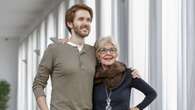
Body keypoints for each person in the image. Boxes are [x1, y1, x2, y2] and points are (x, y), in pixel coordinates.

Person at [33, 3, 140, 110]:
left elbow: (110, 66)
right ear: (70, 23)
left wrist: (130, 71)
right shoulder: (54, 50)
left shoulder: (93, 51)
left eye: (88, 20)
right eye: (81, 19)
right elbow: (38, 84)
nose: (86, 23)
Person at [93, 37, 157, 110]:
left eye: (112, 50)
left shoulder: (128, 74)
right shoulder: (91, 75)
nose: (108, 53)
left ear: (116, 54)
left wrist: (137, 108)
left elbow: (152, 93)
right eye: (103, 50)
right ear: (98, 55)